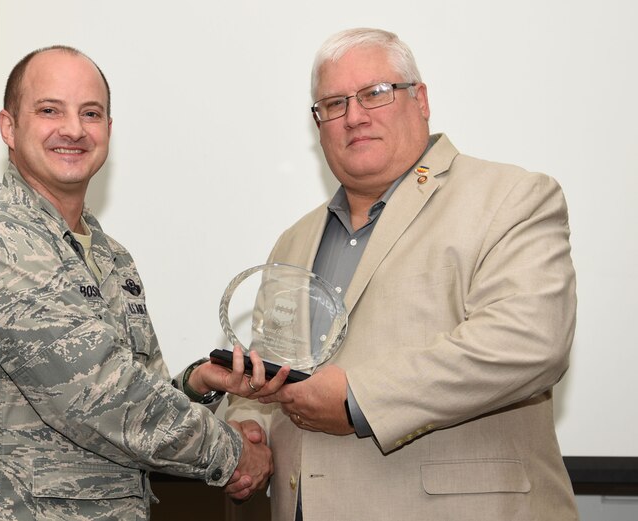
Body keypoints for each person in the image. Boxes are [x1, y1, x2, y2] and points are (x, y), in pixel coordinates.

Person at [226, 28, 578, 520]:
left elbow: (528, 342)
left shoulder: (510, 197)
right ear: (318, 124)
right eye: (333, 103)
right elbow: (274, 368)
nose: (353, 116)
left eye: (375, 93)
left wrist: (355, 399)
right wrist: (247, 426)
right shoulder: (293, 241)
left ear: (421, 100)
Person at [0, 45, 287, 520]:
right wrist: (233, 453)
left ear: (108, 131)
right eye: (50, 110)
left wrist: (195, 385)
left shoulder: (111, 256)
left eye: (90, 113)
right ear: (8, 127)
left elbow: (135, 392)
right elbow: (96, 397)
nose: (73, 129)